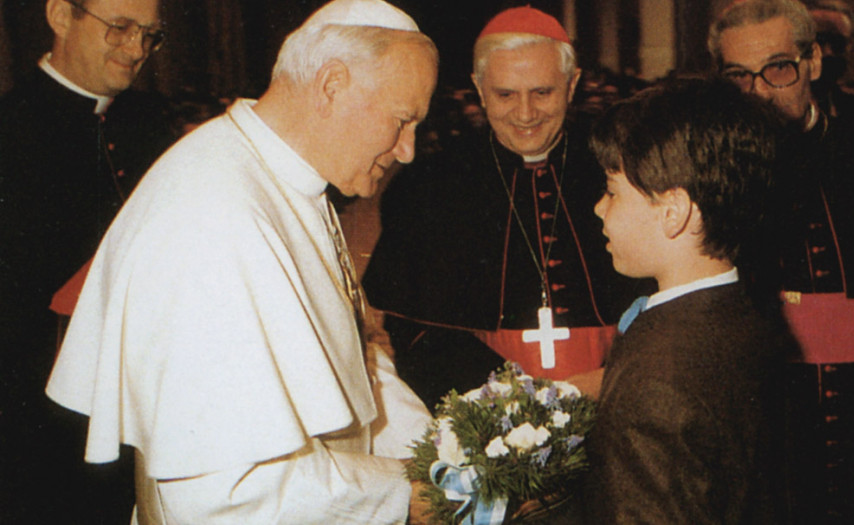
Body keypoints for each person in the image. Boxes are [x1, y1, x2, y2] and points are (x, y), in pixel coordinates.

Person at [45, 0, 439, 522]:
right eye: (402, 120)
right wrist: (404, 495)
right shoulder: (212, 215)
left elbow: (354, 369)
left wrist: (443, 456)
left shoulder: (292, 183)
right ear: (332, 85)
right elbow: (228, 494)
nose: (408, 150)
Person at [709, 1, 854, 524]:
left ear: (812, 62)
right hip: (761, 411)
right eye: (739, 76)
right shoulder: (708, 172)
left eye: (778, 69)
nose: (760, 91)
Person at [363, 6, 653, 410]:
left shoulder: (627, 168)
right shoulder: (430, 187)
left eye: (542, 92)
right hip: (487, 414)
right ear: (480, 90)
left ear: (572, 86)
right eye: (505, 94)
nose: (525, 114)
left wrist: (611, 381)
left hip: (622, 397)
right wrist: (511, 407)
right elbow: (416, 334)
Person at [581, 78, 790, 524]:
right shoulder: (742, 314)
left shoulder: (656, 382)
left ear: (673, 212)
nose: (599, 208)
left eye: (613, 191)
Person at [0, 0, 174, 521]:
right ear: (59, 15)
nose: (137, 49)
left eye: (149, 35)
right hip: (38, 432)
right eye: (120, 28)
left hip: (142, 413)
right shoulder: (11, 132)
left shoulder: (150, 123)